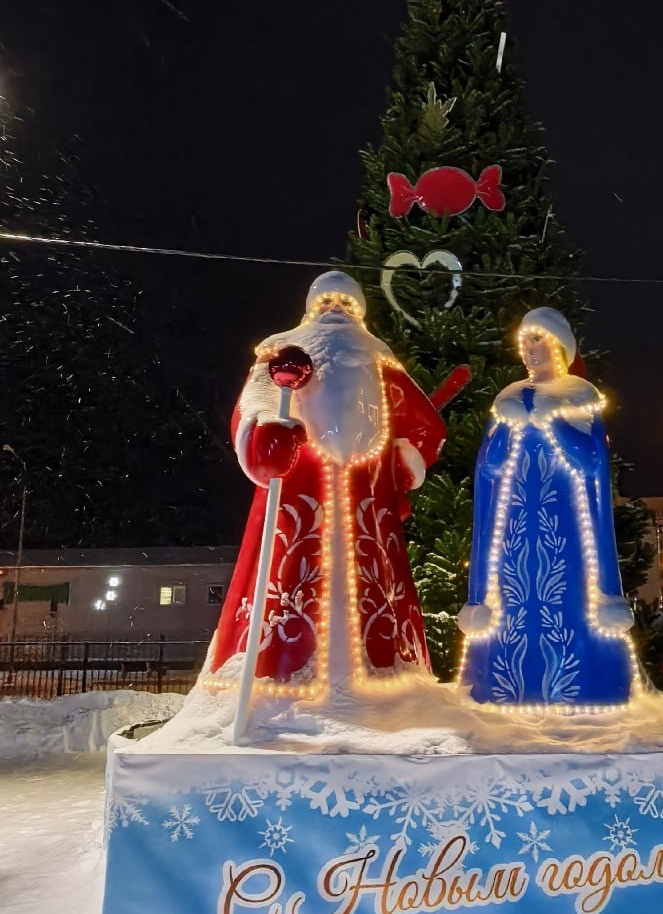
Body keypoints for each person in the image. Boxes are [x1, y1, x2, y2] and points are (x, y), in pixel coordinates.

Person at [200, 270, 446, 699]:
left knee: (369, 578)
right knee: (289, 571)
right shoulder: (281, 353)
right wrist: (264, 433)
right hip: (300, 487)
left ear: (359, 312)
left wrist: (405, 462)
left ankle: (381, 678)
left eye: (345, 302)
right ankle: (276, 674)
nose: (335, 308)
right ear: (310, 308)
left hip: (366, 494)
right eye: (325, 301)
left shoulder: (378, 360)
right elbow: (253, 405)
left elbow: (424, 424)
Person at [457, 307, 639, 709]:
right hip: (514, 526)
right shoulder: (507, 399)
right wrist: (510, 428)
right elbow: (488, 467)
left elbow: (591, 462)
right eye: (525, 341)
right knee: (513, 600)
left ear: (559, 345)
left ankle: (579, 686)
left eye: (538, 339)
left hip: (566, 524)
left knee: (567, 596)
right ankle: (506, 687)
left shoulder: (579, 395)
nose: (530, 348)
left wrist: (552, 421)